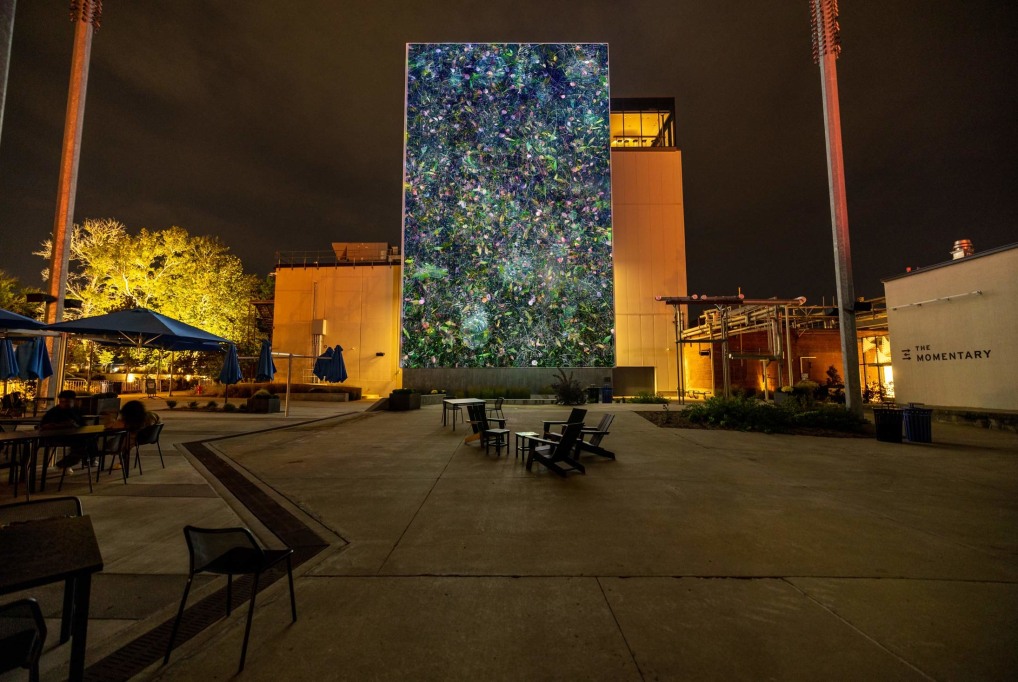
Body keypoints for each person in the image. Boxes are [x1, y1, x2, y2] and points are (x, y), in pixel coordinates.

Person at [40, 389, 86, 469]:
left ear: (73, 401)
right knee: (83, 443)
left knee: (89, 440)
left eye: (67, 402)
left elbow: (83, 425)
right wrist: (62, 425)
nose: (64, 404)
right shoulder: (54, 412)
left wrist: (76, 426)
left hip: (73, 436)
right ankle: (67, 463)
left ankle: (74, 460)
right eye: (62, 402)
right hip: (56, 437)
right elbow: (44, 426)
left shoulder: (76, 411)